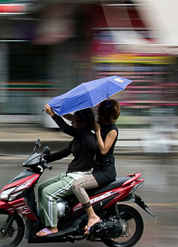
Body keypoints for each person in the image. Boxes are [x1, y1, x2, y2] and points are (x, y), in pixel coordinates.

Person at [36, 104, 98, 237]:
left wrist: (52, 114)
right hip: (70, 174)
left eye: (75, 121)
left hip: (79, 176)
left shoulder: (86, 136)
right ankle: (45, 220)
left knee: (48, 193)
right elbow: (64, 152)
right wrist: (44, 159)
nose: (72, 122)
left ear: (83, 123)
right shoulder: (79, 138)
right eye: (72, 120)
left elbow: (65, 128)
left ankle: (52, 227)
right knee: (41, 188)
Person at [70, 99, 121, 235]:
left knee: (77, 186)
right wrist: (55, 113)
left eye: (101, 114)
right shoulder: (99, 124)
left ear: (107, 115)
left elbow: (104, 150)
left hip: (106, 172)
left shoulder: (112, 130)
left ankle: (92, 217)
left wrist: (97, 132)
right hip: (96, 169)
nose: (98, 116)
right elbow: (76, 120)